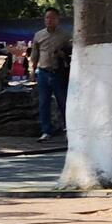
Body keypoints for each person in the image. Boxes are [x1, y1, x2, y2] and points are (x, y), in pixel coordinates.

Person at [31, 8, 72, 140]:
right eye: (47, 18)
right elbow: (34, 55)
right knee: (44, 103)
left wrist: (63, 54)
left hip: (58, 73)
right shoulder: (38, 35)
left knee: (63, 102)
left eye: (52, 18)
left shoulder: (65, 35)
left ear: (57, 19)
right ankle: (46, 131)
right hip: (43, 72)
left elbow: (72, 52)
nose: (49, 20)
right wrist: (32, 71)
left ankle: (68, 128)